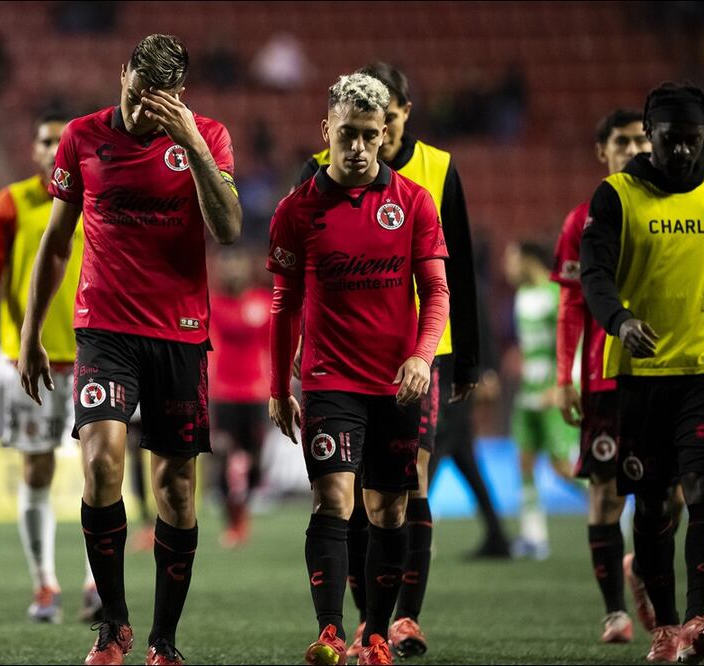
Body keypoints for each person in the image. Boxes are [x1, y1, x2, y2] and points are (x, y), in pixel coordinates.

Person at [17, 34, 241, 666]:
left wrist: (192, 143)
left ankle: (163, 640)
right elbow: (58, 243)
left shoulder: (210, 138)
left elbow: (227, 229)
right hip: (105, 329)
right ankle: (112, 626)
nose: (144, 111)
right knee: (102, 465)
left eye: (159, 100)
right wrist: (33, 331)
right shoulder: (83, 137)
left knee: (174, 490)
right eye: (136, 94)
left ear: (180, 96)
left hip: (180, 333)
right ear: (123, 76)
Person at [297, 62, 497, 660]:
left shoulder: (437, 170)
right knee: (349, 495)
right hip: (342, 360)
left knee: (409, 485)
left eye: (390, 118)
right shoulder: (318, 171)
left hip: (423, 355)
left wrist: (467, 359)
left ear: (399, 117)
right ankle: (365, 620)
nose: (370, 138)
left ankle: (403, 617)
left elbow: (456, 268)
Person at [269, 71, 450, 666]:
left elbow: (437, 293)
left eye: (370, 135)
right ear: (326, 130)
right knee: (333, 499)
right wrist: (278, 386)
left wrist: (423, 358)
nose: (359, 147)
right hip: (328, 380)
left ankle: (374, 633)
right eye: (347, 134)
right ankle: (329, 632)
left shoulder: (414, 202)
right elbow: (285, 303)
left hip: (396, 386)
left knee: (390, 510)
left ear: (384, 135)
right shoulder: (296, 211)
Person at [581, 81, 704, 665]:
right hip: (642, 376)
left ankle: (698, 619)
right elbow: (595, 274)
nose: (684, 151)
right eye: (672, 139)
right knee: (655, 504)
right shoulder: (616, 196)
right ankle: (664, 628)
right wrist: (619, 319)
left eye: (693, 140)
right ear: (651, 133)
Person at [0, 110, 100, 625]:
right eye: (45, 140)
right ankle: (45, 585)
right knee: (37, 469)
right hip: (31, 361)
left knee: (100, 471)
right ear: (35, 150)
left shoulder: (102, 199)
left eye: (62, 140)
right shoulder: (13, 202)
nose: (53, 147)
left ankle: (96, 585)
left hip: (97, 356)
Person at [551, 108, 652, 643]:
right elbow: (570, 305)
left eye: (641, 139)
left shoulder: (667, 210)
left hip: (666, 373)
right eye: (621, 140)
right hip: (604, 376)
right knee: (606, 495)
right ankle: (615, 611)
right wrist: (566, 375)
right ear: (602, 151)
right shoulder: (581, 219)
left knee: (673, 495)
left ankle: (640, 570)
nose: (633, 148)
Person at [503, 240, 580, 561]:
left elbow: (575, 341)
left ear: (528, 259)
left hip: (553, 393)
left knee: (562, 467)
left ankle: (612, 500)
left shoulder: (555, 294)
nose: (506, 267)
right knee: (524, 460)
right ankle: (534, 536)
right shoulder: (521, 297)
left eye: (512, 258)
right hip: (528, 394)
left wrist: (567, 383)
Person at [208, 247, 271, 548]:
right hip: (223, 393)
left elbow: (274, 347)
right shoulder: (213, 305)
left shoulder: (263, 303)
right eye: (226, 266)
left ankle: (244, 511)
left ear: (246, 269)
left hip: (256, 393)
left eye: (236, 265)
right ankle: (231, 521)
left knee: (255, 459)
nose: (231, 271)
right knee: (222, 454)